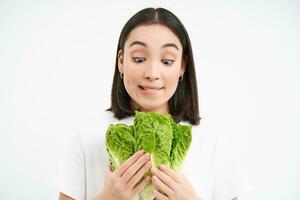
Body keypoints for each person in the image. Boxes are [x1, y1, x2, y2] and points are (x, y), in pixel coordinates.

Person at [53, 7, 250, 200]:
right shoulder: (86, 133)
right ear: (121, 61)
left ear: (182, 66)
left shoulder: (212, 141)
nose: (152, 73)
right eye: (139, 59)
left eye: (167, 61)